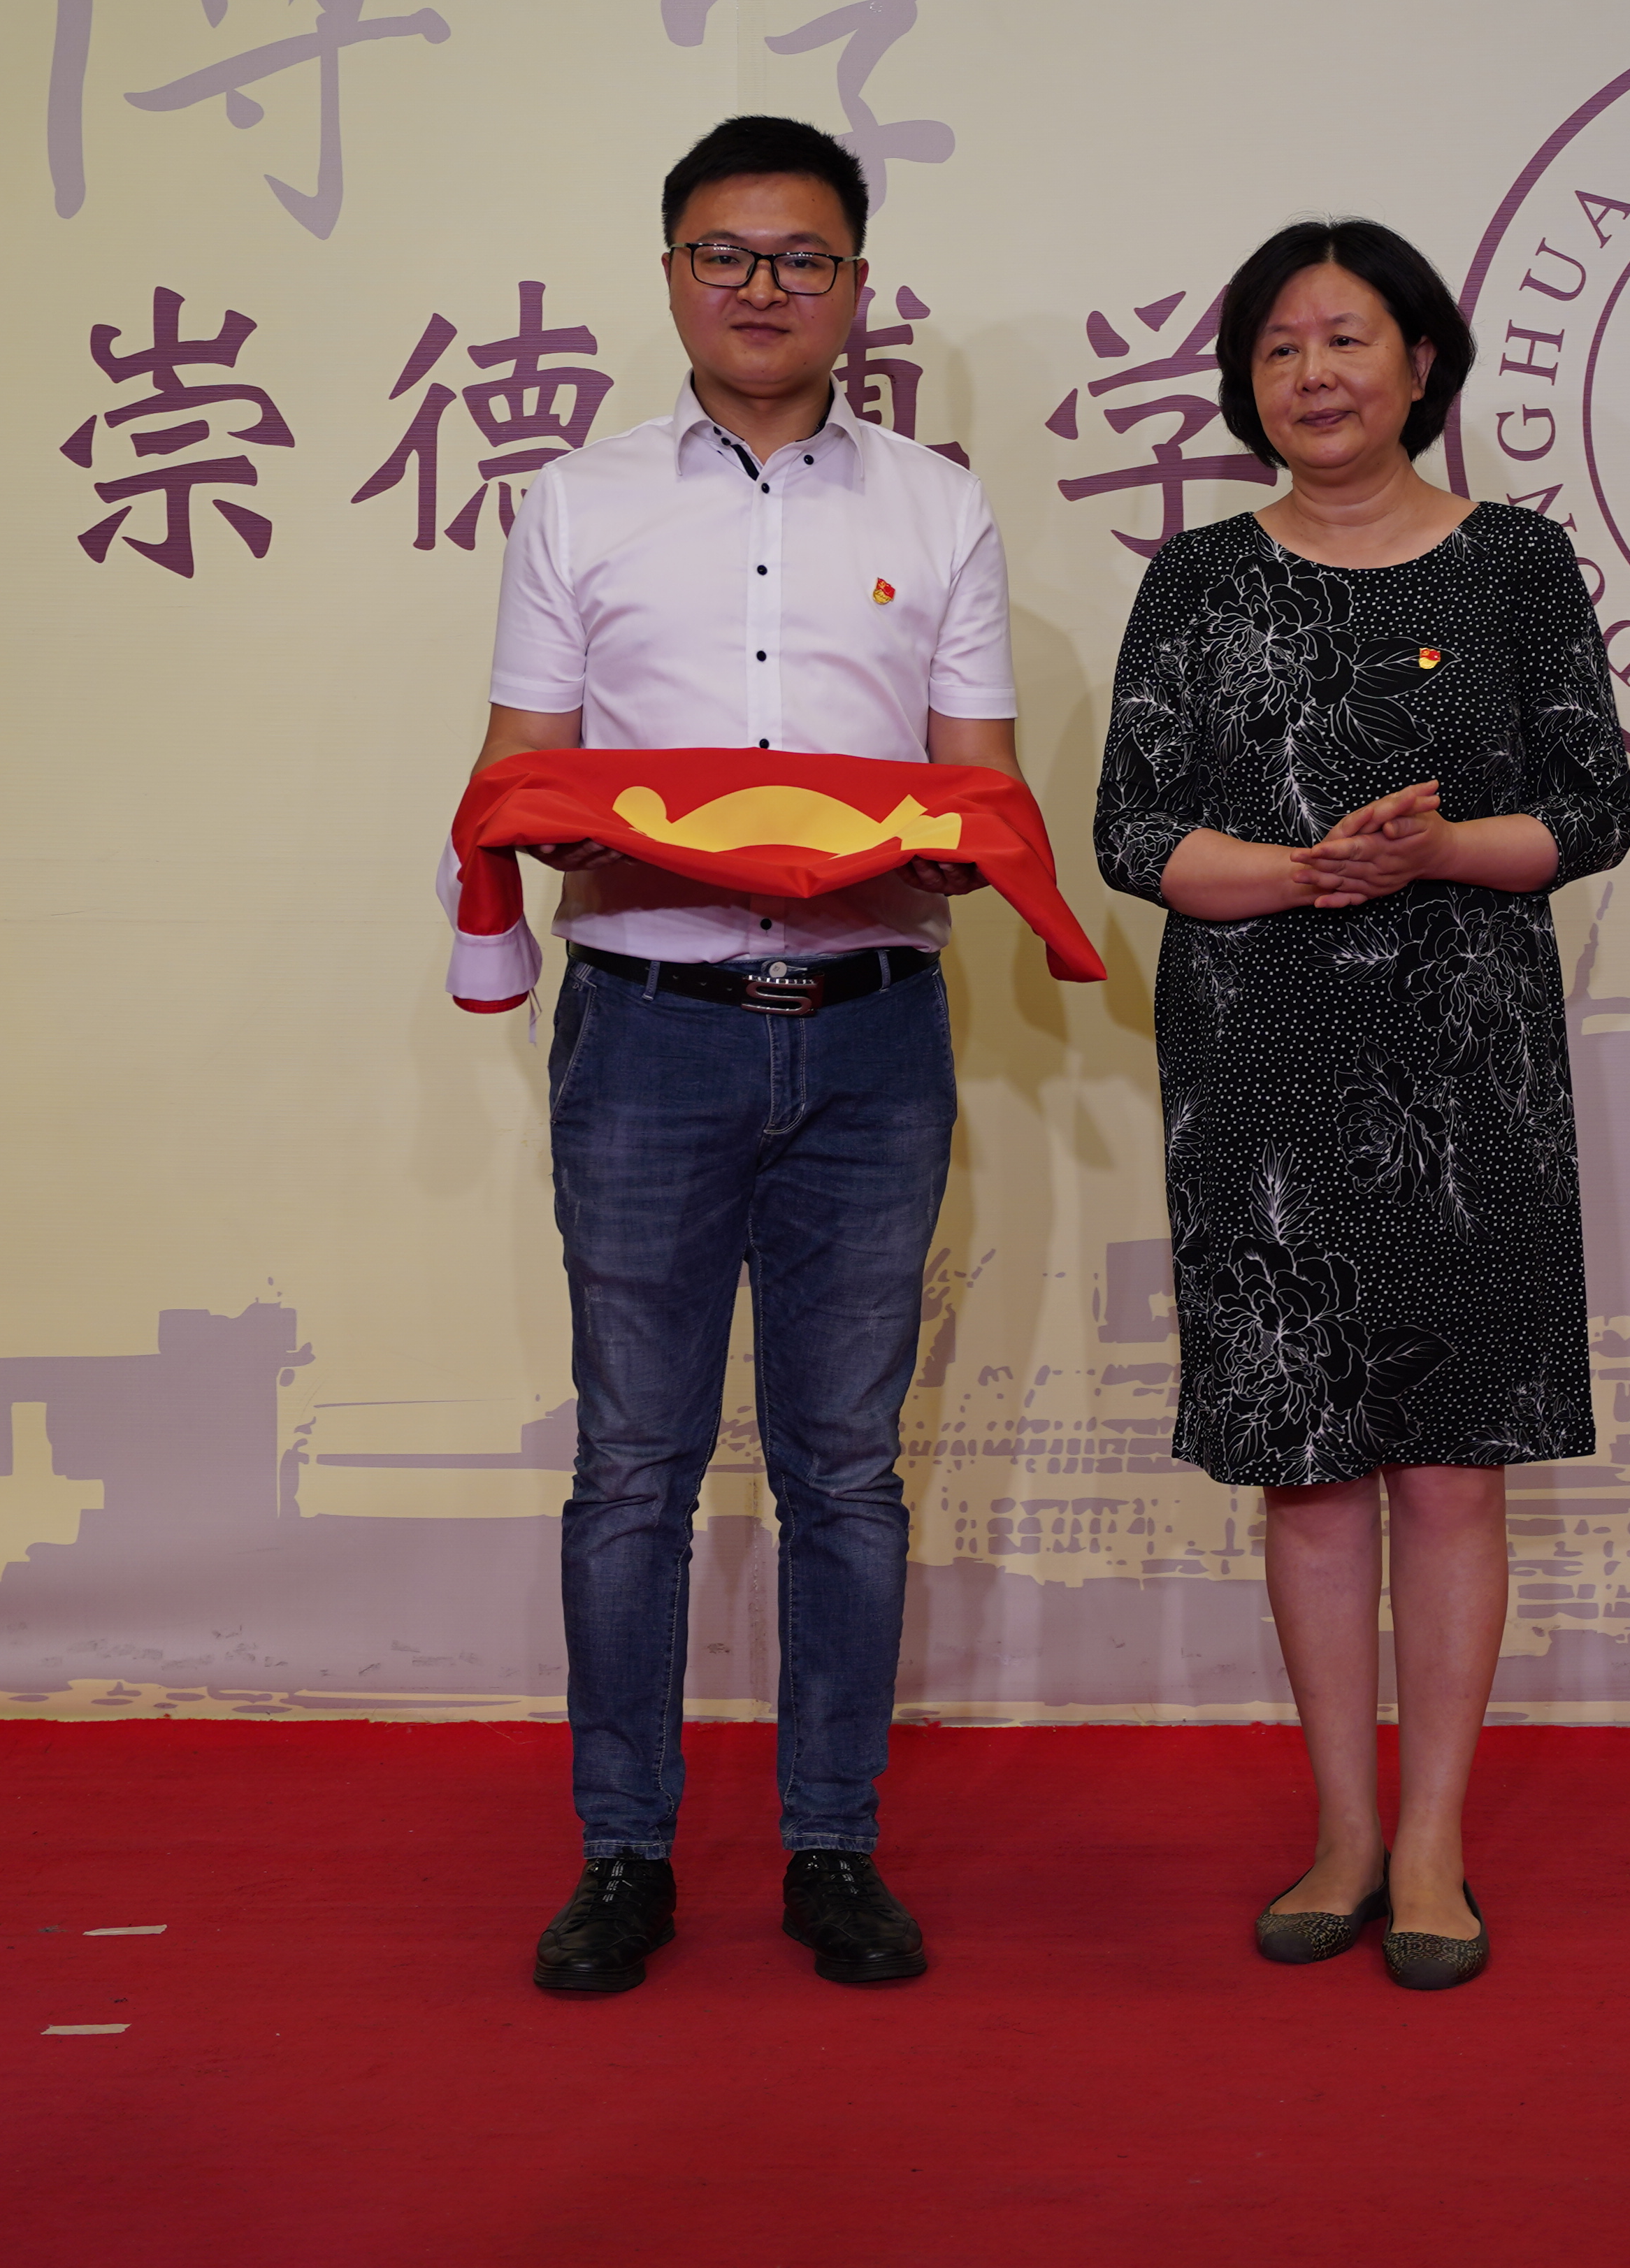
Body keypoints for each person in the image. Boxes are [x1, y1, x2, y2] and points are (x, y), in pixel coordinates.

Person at [475, 115, 1021, 1995]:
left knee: (846, 1472)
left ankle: (832, 1843)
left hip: (873, 1039)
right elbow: (524, 768)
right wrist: (629, 832)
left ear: (859, 284)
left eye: (802, 257)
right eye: (726, 254)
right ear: (671, 275)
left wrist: (909, 844)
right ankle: (623, 1852)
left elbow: (981, 789)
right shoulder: (581, 501)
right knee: (633, 1466)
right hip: (649, 1031)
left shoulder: (936, 508)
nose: (763, 287)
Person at [1091, 217, 1630, 1992]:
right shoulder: (1198, 579)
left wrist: (1442, 848)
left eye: (1347, 338)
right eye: (1279, 347)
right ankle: (1340, 1828)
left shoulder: (1515, 562)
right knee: (1310, 1474)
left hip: (1466, 1071)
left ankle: (1433, 1842)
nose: (1313, 373)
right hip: (1258, 1068)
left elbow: (1593, 807)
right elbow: (1131, 829)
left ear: (1421, 362)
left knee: (1452, 1470)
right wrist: (1302, 871)